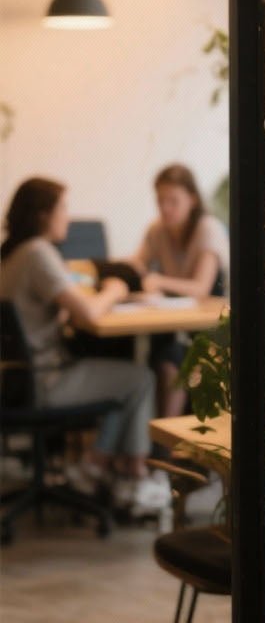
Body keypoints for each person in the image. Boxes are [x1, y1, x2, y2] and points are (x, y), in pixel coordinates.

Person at [0, 178, 169, 514]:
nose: (68, 215)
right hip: (47, 379)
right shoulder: (37, 253)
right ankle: (128, 474)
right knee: (139, 379)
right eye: (62, 208)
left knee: (121, 381)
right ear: (43, 215)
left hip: (18, 381)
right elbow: (89, 313)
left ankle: (98, 465)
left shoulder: (11, 256)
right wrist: (115, 289)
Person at [126, 164, 229, 416]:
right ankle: (155, 431)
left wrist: (158, 281)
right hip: (181, 325)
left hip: (215, 330)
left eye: (173, 201)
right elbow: (137, 266)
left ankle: (165, 434)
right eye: (160, 200)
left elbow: (201, 288)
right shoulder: (157, 230)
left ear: (192, 199)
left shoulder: (208, 228)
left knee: (170, 356)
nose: (165, 208)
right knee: (153, 349)